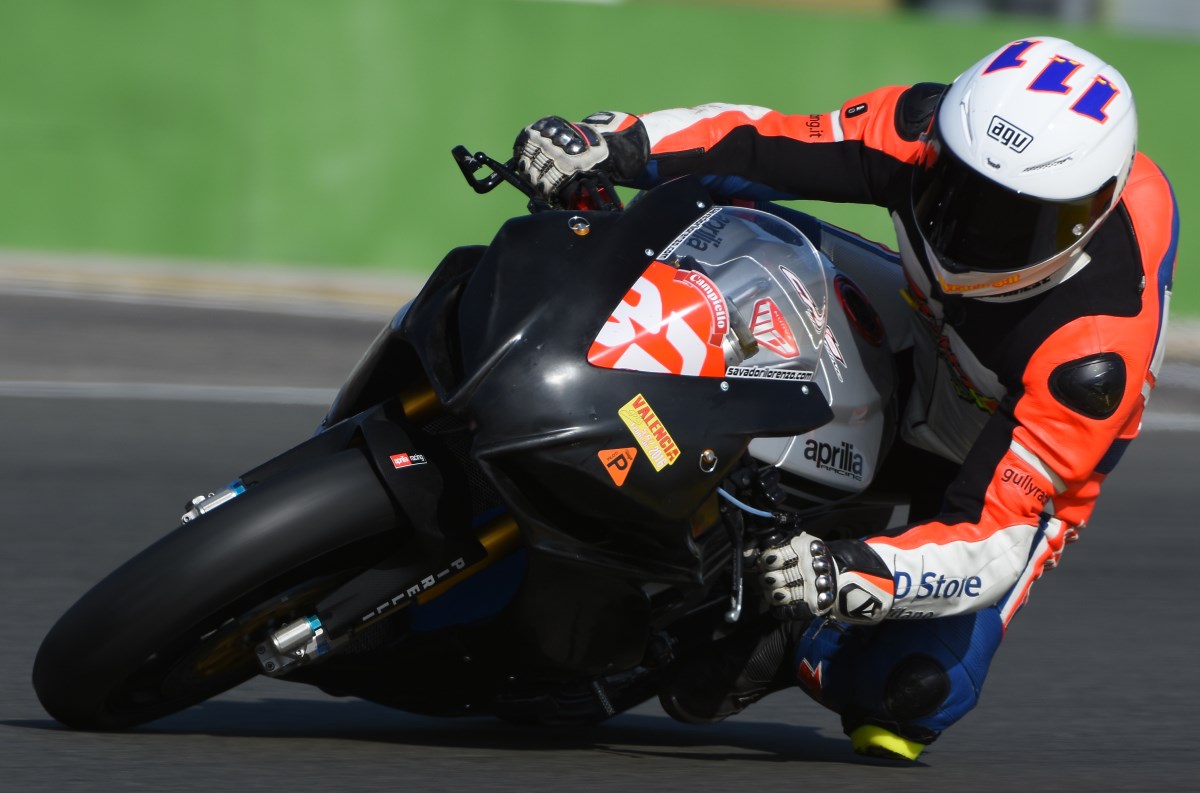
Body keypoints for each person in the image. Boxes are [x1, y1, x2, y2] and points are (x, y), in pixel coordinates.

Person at [513, 36, 1180, 761]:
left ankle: (793, 631)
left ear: (1085, 221)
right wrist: (617, 142)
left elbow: (994, 537)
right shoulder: (923, 129)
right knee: (725, 213)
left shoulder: (1091, 358)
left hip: (997, 450)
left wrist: (846, 573)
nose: (968, 232)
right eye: (956, 190)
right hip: (923, 330)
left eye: (1014, 224)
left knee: (909, 696)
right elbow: (764, 141)